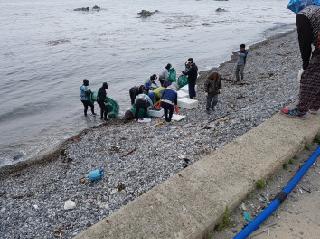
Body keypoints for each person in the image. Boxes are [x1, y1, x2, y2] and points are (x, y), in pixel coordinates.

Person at [281, 3, 320, 118]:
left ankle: (300, 110)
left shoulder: (302, 15)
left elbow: (304, 43)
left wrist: (306, 64)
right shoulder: (316, 10)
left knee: (308, 77)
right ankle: (314, 106)